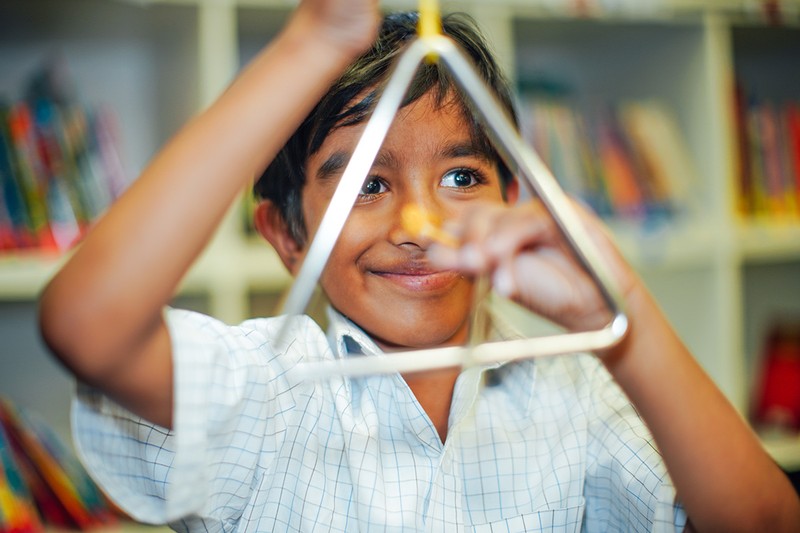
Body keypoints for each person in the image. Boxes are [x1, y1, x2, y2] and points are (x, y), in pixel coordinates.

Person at [38, 0, 800, 531]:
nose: (420, 224)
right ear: (287, 236)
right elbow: (87, 322)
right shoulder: (265, 394)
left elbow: (765, 521)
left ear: (512, 195)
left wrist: (615, 314)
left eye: (462, 178)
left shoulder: (575, 390)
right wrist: (316, 41)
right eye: (366, 182)